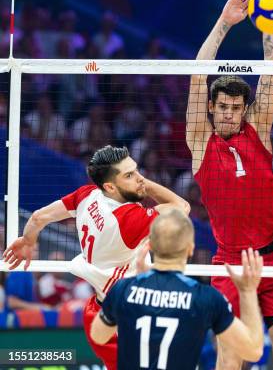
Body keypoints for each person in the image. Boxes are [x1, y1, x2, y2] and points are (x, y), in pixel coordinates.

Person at [185, 0, 273, 370]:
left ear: (244, 110)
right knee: (230, 358)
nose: (230, 114)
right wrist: (224, 22)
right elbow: (199, 74)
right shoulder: (201, 143)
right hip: (229, 263)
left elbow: (271, 69)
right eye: (223, 108)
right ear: (213, 109)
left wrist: (268, 10)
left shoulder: (258, 134)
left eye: (237, 108)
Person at [3, 145, 189, 370]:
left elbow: (38, 217)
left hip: (98, 313)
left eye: (137, 171)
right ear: (110, 186)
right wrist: (145, 184)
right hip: (128, 320)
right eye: (130, 175)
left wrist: (27, 241)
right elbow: (182, 207)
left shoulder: (88, 195)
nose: (139, 178)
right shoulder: (128, 221)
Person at [90, 210, 265, 369]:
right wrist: (247, 292)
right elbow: (253, 351)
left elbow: (98, 336)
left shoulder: (124, 288)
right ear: (191, 249)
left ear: (150, 246)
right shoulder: (206, 298)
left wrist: (138, 282)